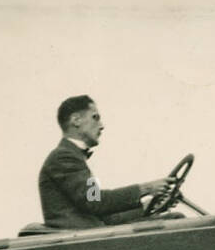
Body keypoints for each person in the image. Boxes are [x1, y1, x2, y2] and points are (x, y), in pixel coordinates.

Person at [38, 95, 174, 229]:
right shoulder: (63, 156)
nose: (101, 126)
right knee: (175, 222)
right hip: (82, 241)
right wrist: (146, 188)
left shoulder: (74, 157)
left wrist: (147, 207)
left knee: (172, 219)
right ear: (76, 120)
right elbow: (96, 202)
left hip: (89, 235)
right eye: (95, 118)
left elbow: (100, 211)